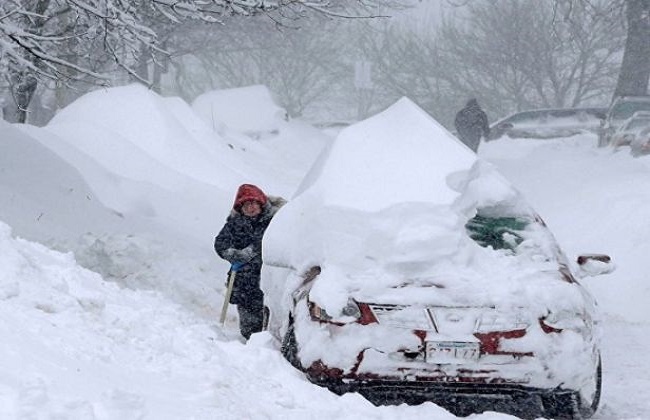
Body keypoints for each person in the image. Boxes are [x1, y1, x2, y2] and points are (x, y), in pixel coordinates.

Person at [214, 184, 285, 340]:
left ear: (261, 203)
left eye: (253, 203)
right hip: (244, 279)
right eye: (246, 205)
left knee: (272, 317)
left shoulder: (274, 221)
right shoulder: (235, 223)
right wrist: (232, 254)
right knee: (249, 323)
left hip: (270, 277)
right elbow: (220, 243)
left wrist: (251, 251)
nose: (251, 208)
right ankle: (250, 346)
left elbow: (272, 242)